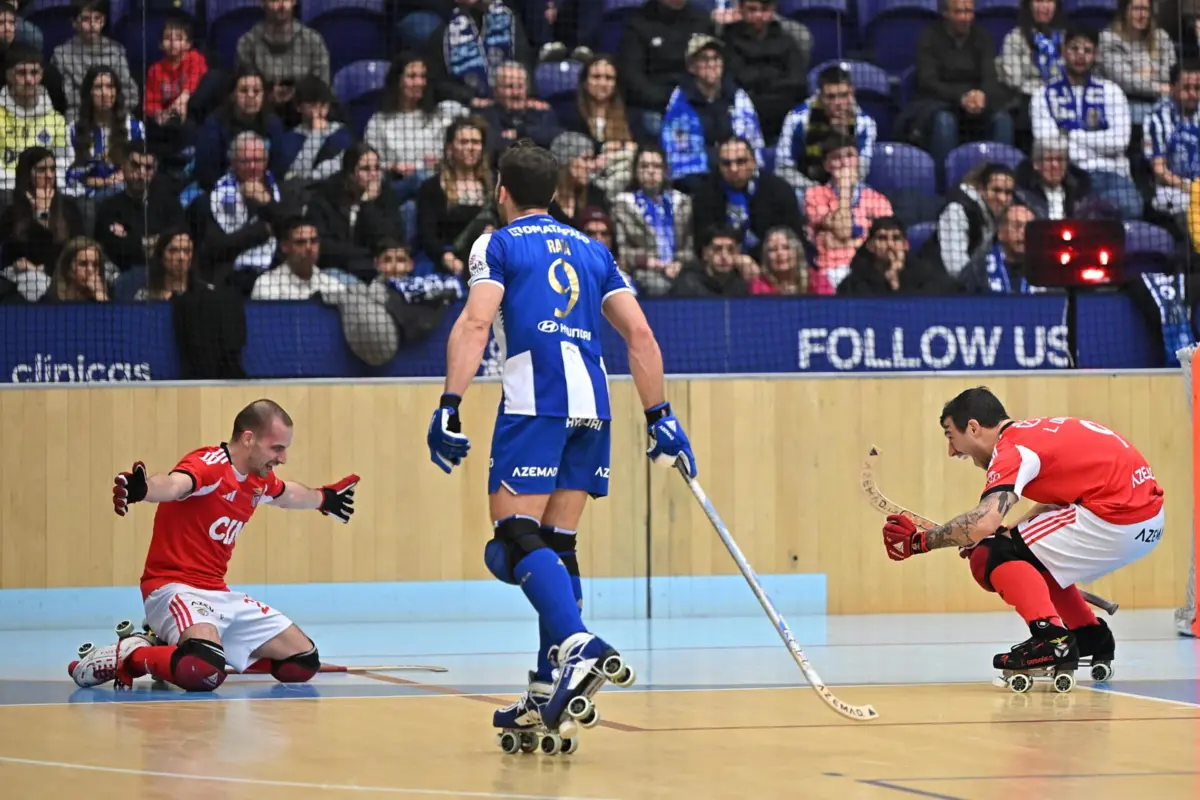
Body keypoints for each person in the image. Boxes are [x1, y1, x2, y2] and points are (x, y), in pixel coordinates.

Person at [425, 139, 696, 752]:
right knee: (554, 545)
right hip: (592, 409)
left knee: (513, 539)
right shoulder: (595, 250)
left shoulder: (495, 243)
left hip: (534, 400)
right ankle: (549, 685)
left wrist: (449, 404)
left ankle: (577, 645)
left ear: (501, 191)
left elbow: (474, 322)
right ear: (553, 193)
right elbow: (641, 333)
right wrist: (660, 416)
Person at [68, 400, 360, 692]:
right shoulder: (209, 466)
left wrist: (324, 498)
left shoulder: (259, 480)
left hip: (217, 593)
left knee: (303, 661)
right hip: (173, 588)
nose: (283, 458)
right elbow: (174, 485)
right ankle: (132, 655)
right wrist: (143, 490)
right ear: (249, 439)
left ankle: (178, 646)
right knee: (204, 671)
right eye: (277, 448)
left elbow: (288, 495)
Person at [880, 387, 1163, 684]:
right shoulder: (1036, 432)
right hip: (1145, 518)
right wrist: (1009, 532)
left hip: (1116, 520)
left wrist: (918, 542)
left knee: (989, 554)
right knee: (1020, 551)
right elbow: (1057, 500)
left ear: (973, 427)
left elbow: (983, 522)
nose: (952, 451)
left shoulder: (1011, 450)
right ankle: (1088, 635)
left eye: (951, 436)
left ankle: (1052, 641)